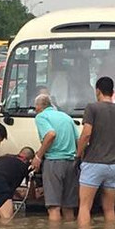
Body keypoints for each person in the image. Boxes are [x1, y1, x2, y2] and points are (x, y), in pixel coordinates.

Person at [76, 76, 115, 226]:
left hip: (93, 163)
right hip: (114, 166)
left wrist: (78, 155)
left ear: (97, 91)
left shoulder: (92, 108)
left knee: (84, 207)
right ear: (113, 92)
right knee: (109, 209)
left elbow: (86, 133)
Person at [31, 93, 80, 221]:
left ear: (38, 107)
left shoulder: (41, 117)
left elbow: (51, 134)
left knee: (54, 207)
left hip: (53, 162)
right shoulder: (66, 117)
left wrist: (38, 156)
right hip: (71, 164)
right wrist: (78, 159)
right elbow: (79, 140)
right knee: (68, 207)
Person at [0, 147, 36, 219]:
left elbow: (8, 185)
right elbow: (30, 195)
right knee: (7, 219)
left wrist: (17, 194)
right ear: (29, 159)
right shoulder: (25, 166)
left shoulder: (5, 158)